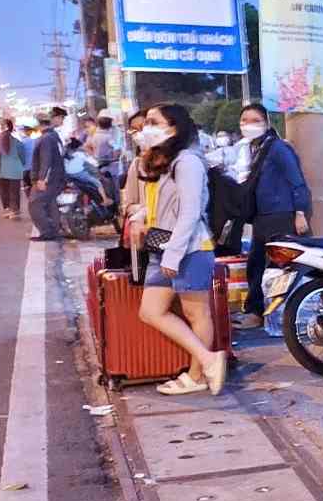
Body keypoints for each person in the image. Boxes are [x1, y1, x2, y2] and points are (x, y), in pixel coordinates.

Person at [123, 104, 228, 396]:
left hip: (189, 249)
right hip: (162, 246)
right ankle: (208, 360)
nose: (145, 127)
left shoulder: (188, 162)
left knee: (197, 314)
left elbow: (191, 212)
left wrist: (173, 254)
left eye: (153, 122)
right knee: (150, 311)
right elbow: (165, 206)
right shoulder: (163, 162)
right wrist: (141, 215)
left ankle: (197, 376)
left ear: (173, 129)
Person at [234, 103, 310, 330]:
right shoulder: (253, 148)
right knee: (256, 264)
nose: (249, 125)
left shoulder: (277, 148)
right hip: (262, 216)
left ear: (267, 123)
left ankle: (271, 315)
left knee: (276, 266)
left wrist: (300, 212)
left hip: (280, 214)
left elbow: (296, 180)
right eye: (244, 120)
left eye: (255, 120)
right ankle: (256, 312)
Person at [28, 106, 68, 241]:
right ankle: (54, 231)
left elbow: (47, 160)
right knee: (50, 203)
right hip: (56, 178)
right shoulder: (53, 136)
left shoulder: (46, 138)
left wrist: (42, 179)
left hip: (50, 179)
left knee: (35, 204)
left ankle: (47, 231)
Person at [0, 119, 25, 219]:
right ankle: (15, 211)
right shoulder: (18, 142)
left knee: (3, 190)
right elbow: (23, 157)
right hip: (15, 170)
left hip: (0, 170)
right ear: (11, 129)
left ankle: (7, 209)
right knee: (14, 191)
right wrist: (22, 165)